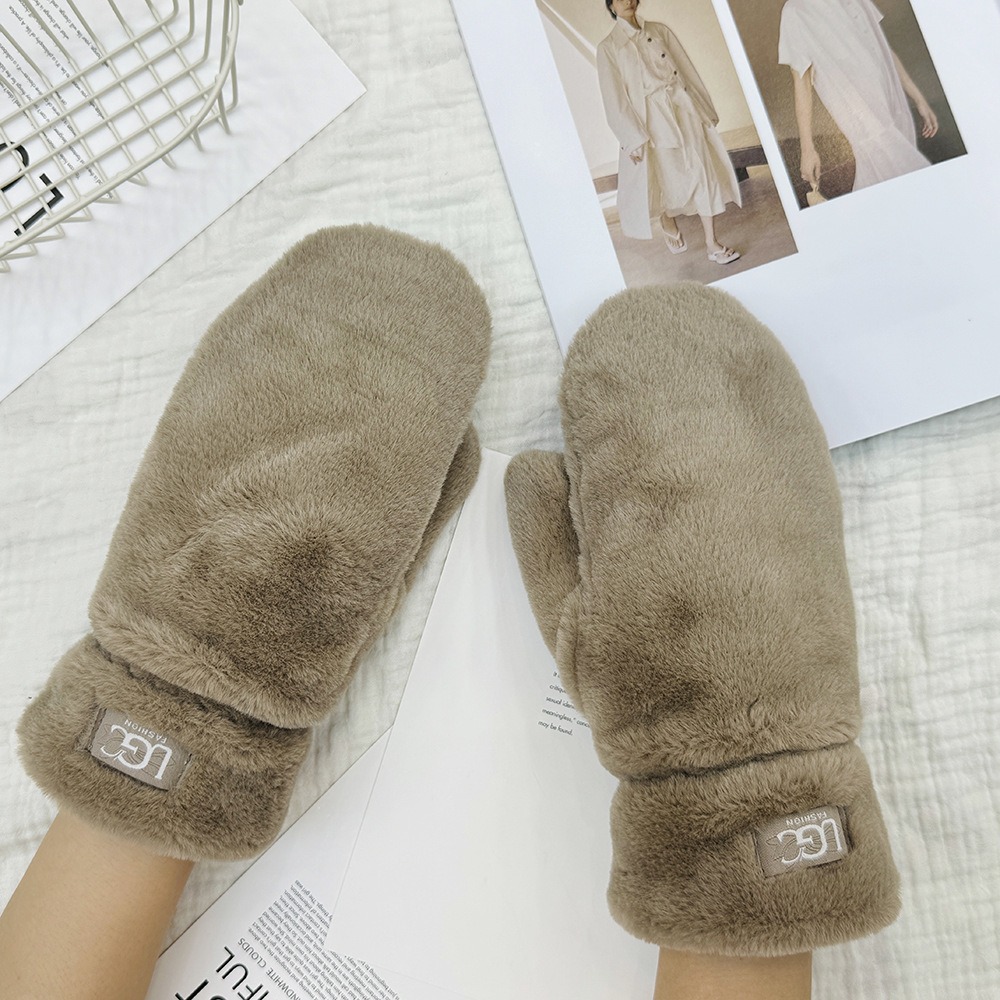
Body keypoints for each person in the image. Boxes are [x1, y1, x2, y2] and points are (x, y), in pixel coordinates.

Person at [597, 0, 743, 265]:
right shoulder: (609, 47)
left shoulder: (659, 30)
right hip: (651, 120)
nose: (627, 1)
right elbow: (614, 99)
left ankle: (712, 244)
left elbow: (686, 70)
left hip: (682, 107)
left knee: (702, 170)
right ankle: (666, 218)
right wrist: (631, 138)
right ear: (610, 5)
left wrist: (703, 108)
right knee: (665, 178)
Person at [779, 0, 939, 194]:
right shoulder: (795, 11)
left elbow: (884, 50)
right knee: (916, 180)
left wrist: (919, 99)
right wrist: (807, 149)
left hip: (893, 106)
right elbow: (802, 83)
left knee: (892, 186)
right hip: (863, 120)